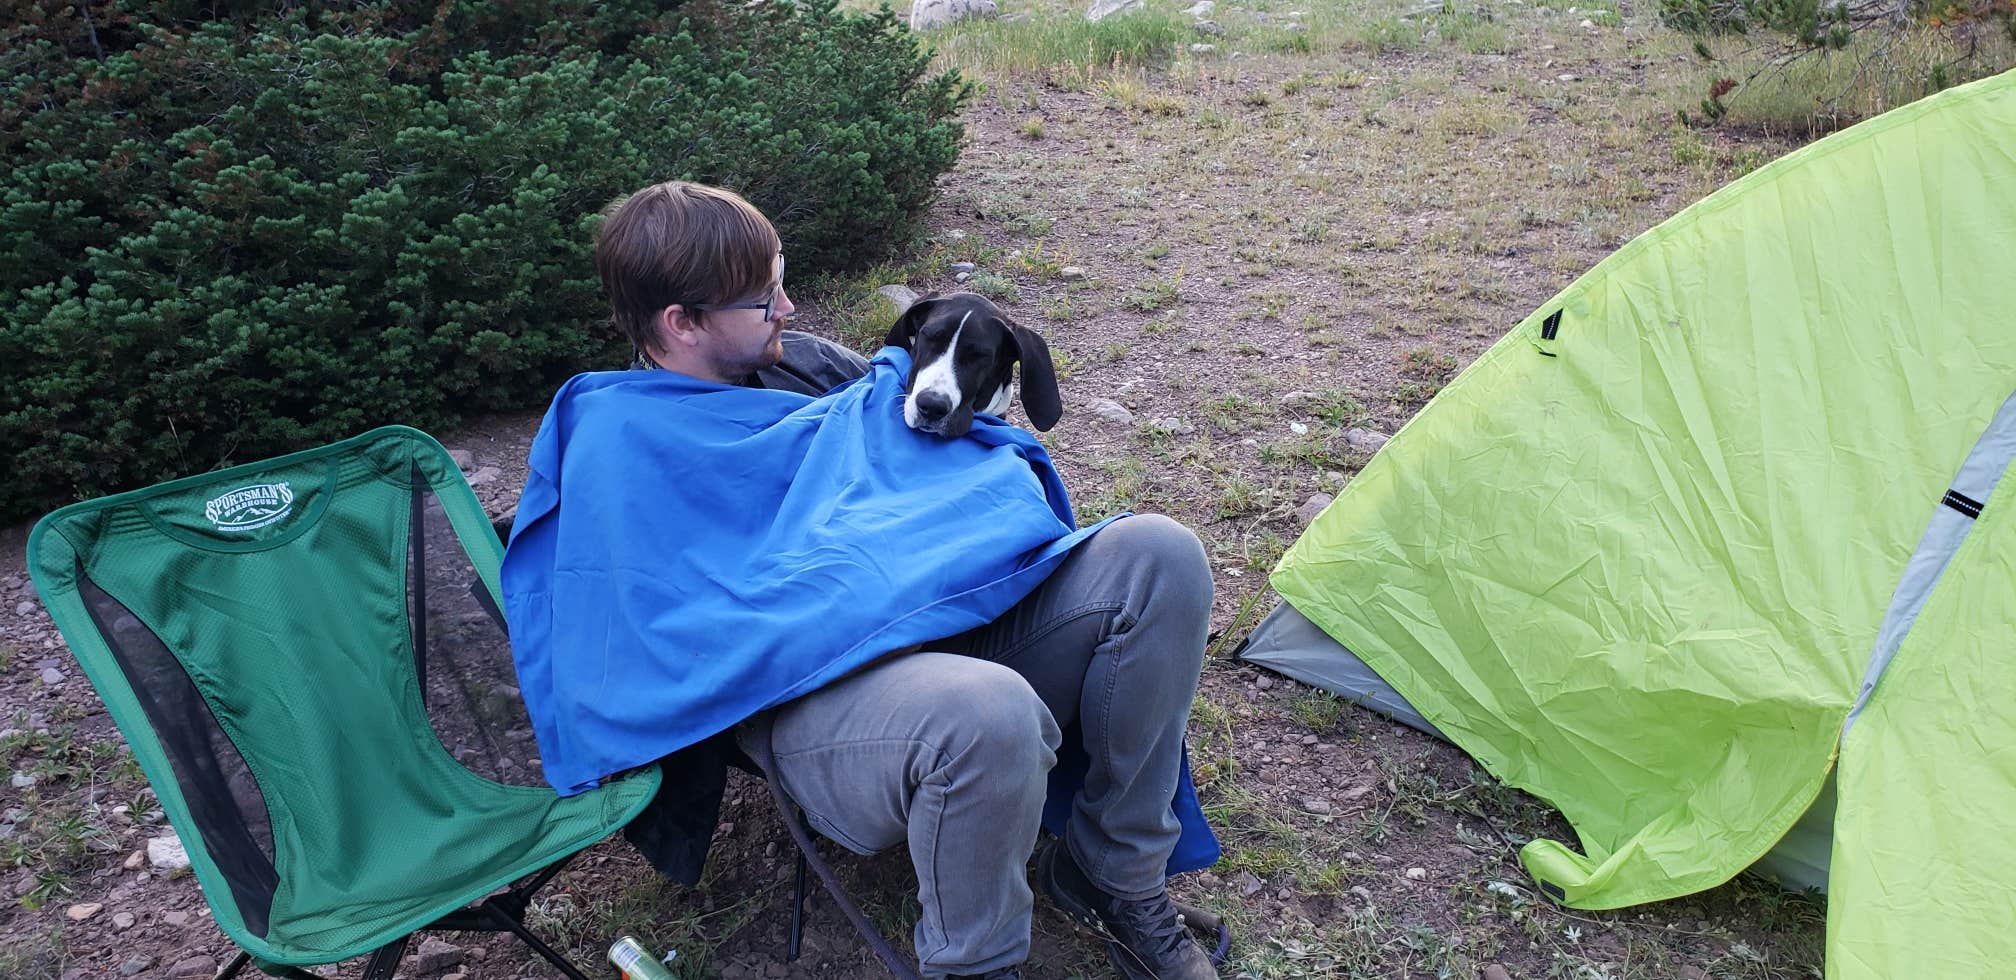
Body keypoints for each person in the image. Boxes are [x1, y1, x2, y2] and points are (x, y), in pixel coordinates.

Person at [538, 180, 1222, 980]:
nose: (790, 308)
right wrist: (837, 587)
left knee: (1160, 555)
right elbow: (649, 633)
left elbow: (931, 472)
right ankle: (976, 966)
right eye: (764, 299)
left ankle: (1111, 871)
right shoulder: (621, 439)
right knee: (985, 710)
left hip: (942, 615)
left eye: (782, 280)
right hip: (815, 691)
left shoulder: (816, 368)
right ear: (681, 323)